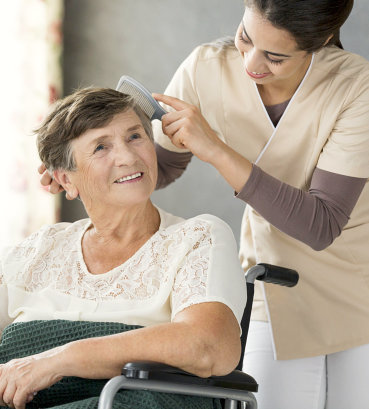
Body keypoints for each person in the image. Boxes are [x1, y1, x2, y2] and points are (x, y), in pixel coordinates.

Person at [38, 1, 369, 408]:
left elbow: (322, 224)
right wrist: (86, 172)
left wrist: (214, 148)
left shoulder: (356, 87)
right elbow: (159, 166)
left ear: (318, 42)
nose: (250, 64)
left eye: (275, 57)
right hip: (273, 280)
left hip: (358, 281)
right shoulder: (207, 68)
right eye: (246, 38)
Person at [0, 88, 246, 409]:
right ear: (66, 180)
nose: (129, 157)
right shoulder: (38, 249)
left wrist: (60, 360)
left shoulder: (196, 237)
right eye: (101, 147)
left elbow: (209, 346)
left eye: (135, 136)